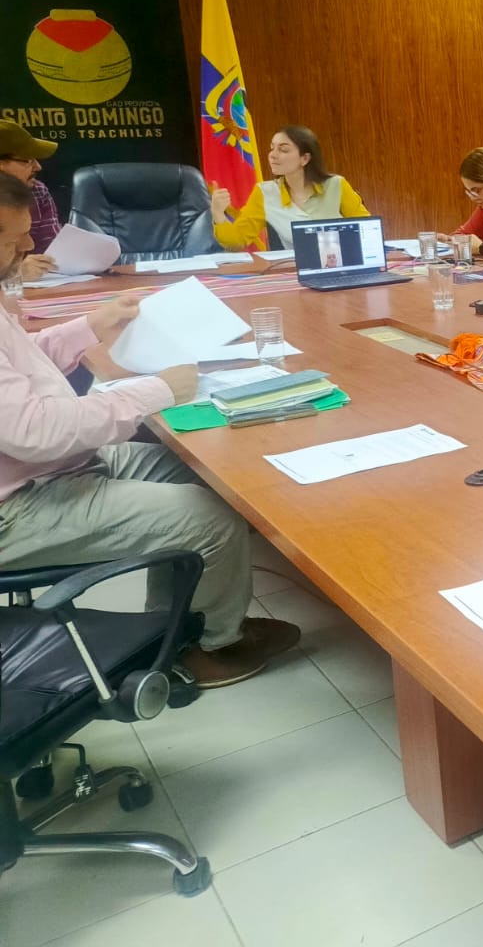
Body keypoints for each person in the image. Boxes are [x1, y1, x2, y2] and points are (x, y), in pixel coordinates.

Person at [0, 172, 299, 686]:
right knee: (207, 516)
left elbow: (21, 365)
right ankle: (207, 649)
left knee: (214, 476)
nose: (29, 246)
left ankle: (169, 628)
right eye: (13, 239)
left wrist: (91, 326)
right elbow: (34, 430)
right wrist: (157, 390)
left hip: (48, 468)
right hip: (19, 505)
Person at [212, 124, 371, 250]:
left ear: (305, 158)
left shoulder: (336, 185)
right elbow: (236, 241)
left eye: (283, 149)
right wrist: (218, 213)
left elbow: (369, 230)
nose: (272, 155)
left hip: (340, 264)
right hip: (295, 271)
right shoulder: (265, 193)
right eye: (272, 148)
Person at [0, 118, 60, 279]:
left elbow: (52, 252)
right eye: (27, 159)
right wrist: (14, 274)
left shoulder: (37, 191)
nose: (38, 166)